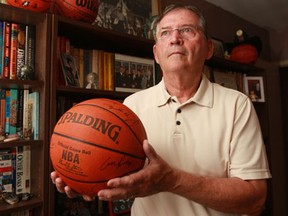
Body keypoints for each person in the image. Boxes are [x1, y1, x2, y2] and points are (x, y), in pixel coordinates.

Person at [51, 4, 272, 216]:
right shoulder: (131, 108)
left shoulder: (237, 105)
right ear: (157, 54)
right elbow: (117, 176)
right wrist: (84, 178)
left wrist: (172, 180)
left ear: (208, 49)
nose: (175, 38)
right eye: (165, 33)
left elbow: (255, 200)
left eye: (187, 30)